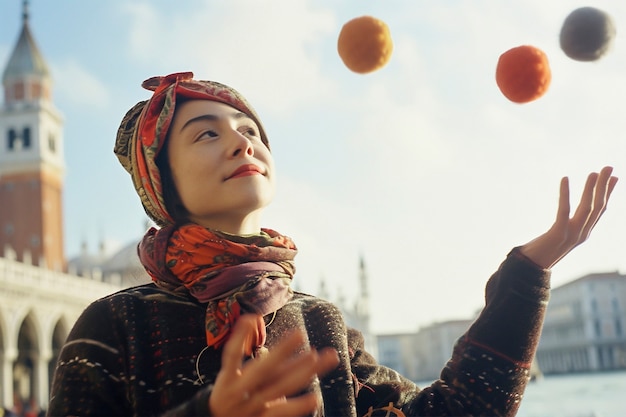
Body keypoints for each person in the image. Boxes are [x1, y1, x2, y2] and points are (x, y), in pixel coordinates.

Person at [47, 71, 618, 417]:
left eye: (250, 130)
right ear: (160, 181)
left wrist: (529, 274)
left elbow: (455, 414)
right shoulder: (113, 325)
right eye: (207, 133)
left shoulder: (319, 324)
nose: (240, 142)